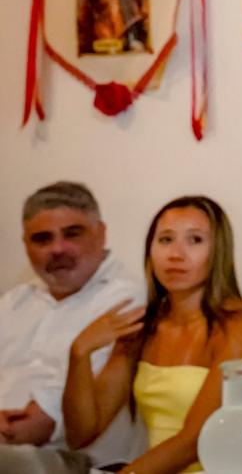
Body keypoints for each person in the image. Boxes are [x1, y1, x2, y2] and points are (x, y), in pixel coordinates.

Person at [61, 196, 242, 474]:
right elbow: (80, 434)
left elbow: (195, 441)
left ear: (219, 251)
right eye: (166, 240)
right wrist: (79, 352)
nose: (176, 254)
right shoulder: (141, 328)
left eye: (195, 240)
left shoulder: (241, 326)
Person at [0, 183, 145, 472]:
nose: (57, 249)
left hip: (74, 464)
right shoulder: (14, 302)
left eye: (72, 234)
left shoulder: (126, 300)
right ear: (25, 244)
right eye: (42, 239)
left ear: (101, 233)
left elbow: (38, 426)